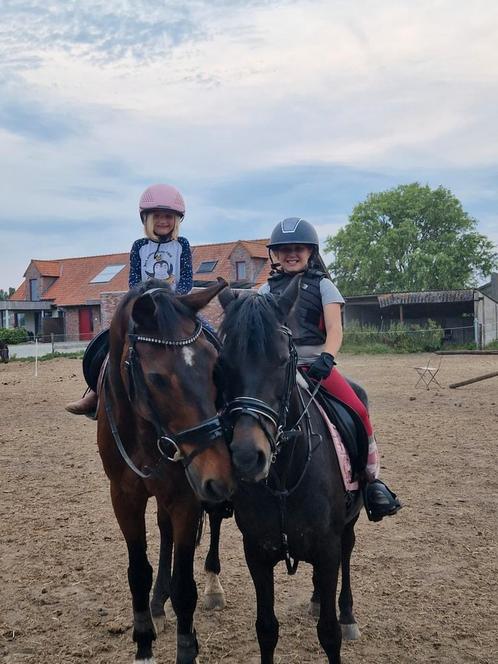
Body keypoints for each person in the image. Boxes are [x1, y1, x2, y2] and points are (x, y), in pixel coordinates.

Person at [259, 217, 401, 521]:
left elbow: (335, 329)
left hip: (314, 364)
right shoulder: (264, 292)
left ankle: (372, 482)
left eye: (297, 248)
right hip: (276, 367)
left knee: (358, 409)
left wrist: (327, 356)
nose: (291, 254)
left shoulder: (324, 285)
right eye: (284, 249)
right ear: (275, 254)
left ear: (311, 251)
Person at [65, 183, 193, 415]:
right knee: (109, 341)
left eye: (168, 216)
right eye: (158, 216)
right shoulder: (139, 247)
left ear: (177, 220)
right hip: (144, 307)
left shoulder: (182, 245)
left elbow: (186, 280)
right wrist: (147, 301)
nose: (163, 221)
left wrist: (172, 300)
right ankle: (95, 391)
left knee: (208, 334)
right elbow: (134, 281)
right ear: (146, 219)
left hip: (175, 307)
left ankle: (222, 392)